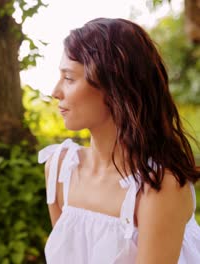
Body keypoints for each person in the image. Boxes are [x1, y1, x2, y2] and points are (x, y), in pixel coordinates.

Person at [38, 18, 200, 263]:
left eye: (69, 78)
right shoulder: (60, 169)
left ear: (114, 87)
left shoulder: (158, 187)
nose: (55, 92)